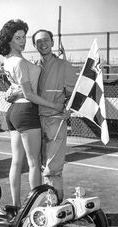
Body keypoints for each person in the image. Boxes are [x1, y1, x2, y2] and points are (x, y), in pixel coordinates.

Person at [0, 20, 63, 208]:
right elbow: (29, 94)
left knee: (16, 163)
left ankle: (16, 206)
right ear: (9, 40)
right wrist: (54, 106)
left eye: (24, 37)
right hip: (26, 111)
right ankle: (37, 208)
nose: (22, 41)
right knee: (34, 164)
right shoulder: (20, 63)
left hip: (13, 113)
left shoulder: (8, 60)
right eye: (17, 38)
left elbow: (19, 89)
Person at [32, 29, 77, 202]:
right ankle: (43, 203)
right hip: (35, 123)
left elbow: (76, 93)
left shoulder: (64, 66)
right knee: (38, 166)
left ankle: (55, 206)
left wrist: (69, 109)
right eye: (38, 42)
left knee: (52, 167)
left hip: (55, 121)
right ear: (34, 45)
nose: (43, 44)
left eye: (45, 40)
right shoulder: (33, 66)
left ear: (52, 42)